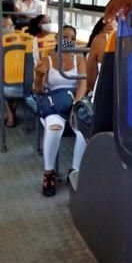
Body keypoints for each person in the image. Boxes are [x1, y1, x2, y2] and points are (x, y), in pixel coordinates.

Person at [35, 25, 87, 197]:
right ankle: (48, 173)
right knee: (54, 128)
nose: (69, 40)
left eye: (73, 37)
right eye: (65, 37)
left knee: (83, 131)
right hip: (54, 103)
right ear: (57, 39)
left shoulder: (79, 59)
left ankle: (75, 171)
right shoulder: (48, 59)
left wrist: (76, 106)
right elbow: (38, 90)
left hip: (72, 102)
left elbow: (82, 85)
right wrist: (39, 76)